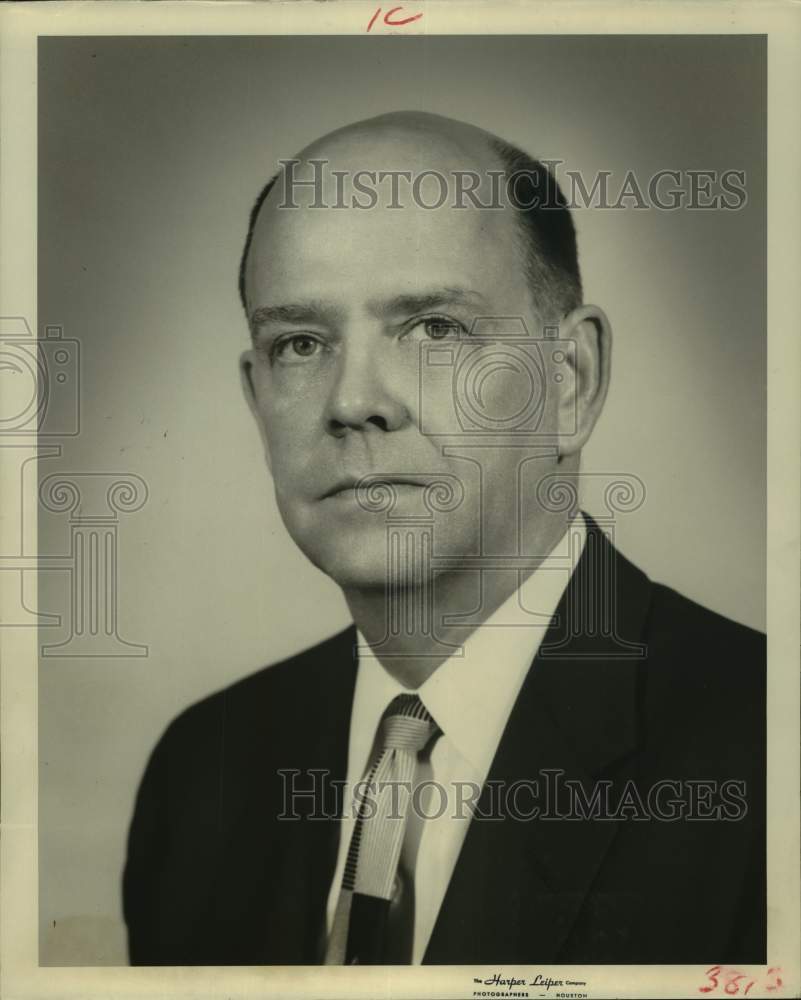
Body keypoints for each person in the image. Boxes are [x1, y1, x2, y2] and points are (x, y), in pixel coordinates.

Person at [123, 112, 765, 966]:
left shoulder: (768, 752)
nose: (354, 402)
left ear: (569, 382)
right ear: (255, 398)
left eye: (433, 328)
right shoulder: (201, 772)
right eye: (300, 343)